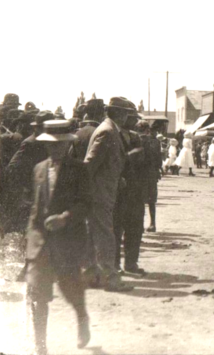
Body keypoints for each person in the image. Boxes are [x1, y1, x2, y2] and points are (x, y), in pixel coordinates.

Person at [25, 120, 92, 355]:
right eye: (52, 145)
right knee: (38, 294)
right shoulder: (39, 169)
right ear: (45, 145)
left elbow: (86, 204)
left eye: (61, 144)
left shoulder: (79, 169)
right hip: (41, 242)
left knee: (70, 287)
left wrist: (65, 217)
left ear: (68, 145)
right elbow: (36, 209)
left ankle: (82, 317)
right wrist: (30, 247)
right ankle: (40, 346)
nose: (56, 149)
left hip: (68, 239)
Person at [83, 96, 133, 292]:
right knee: (105, 236)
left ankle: (90, 275)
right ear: (119, 114)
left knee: (92, 235)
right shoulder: (107, 132)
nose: (127, 118)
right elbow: (90, 164)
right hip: (99, 194)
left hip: (101, 192)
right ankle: (110, 279)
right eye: (126, 114)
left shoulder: (109, 129)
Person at [113, 108, 147, 275]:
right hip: (118, 190)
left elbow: (143, 163)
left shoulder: (136, 138)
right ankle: (114, 265)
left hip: (135, 190)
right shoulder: (112, 135)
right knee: (116, 228)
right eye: (131, 118)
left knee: (135, 228)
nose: (134, 121)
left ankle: (131, 263)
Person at [145, 126, 164, 233]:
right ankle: (153, 223)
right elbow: (158, 159)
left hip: (141, 174)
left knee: (140, 201)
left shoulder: (137, 139)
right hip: (152, 173)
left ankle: (145, 224)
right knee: (151, 200)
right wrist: (158, 170)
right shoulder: (156, 142)